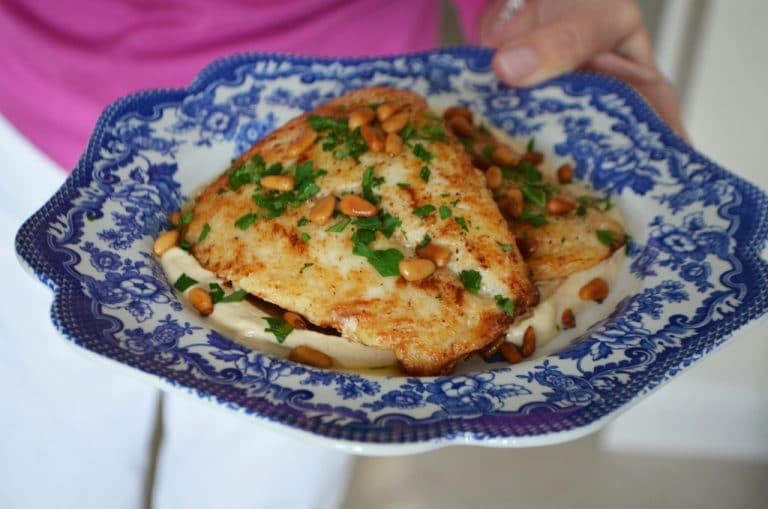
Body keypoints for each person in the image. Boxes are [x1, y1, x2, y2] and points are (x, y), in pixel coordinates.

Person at [0, 1, 685, 507]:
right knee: (49, 464)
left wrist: (531, 12)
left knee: (260, 483)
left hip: (359, 63)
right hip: (33, 116)